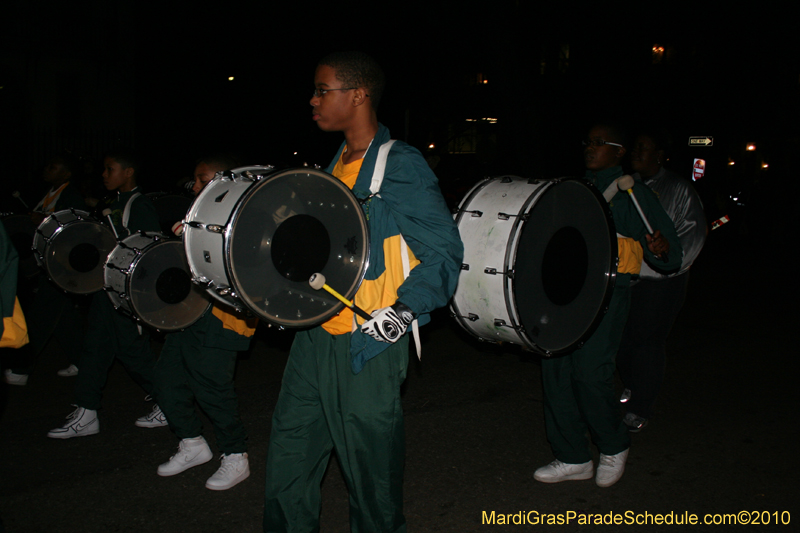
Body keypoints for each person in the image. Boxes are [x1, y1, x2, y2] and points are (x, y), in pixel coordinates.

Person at [263, 51, 463, 532]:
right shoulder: (335, 166)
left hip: (366, 344)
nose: (312, 101)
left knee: (371, 485)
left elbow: (444, 253)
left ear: (358, 95)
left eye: (321, 90)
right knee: (288, 465)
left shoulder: (400, 167)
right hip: (313, 338)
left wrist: (400, 314)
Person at [533, 123, 682, 488]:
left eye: (600, 143)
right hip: (566, 290)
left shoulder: (634, 195)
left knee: (589, 373)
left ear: (618, 152)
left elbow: (669, 253)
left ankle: (614, 444)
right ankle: (573, 456)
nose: (590, 148)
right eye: (588, 142)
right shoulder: (573, 188)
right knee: (556, 371)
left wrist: (662, 251)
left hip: (608, 291)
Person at [152, 156, 257, 491]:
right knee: (167, 378)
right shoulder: (197, 215)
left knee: (212, 388)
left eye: (202, 180)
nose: (194, 187)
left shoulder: (251, 213)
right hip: (191, 311)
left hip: (225, 316)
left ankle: (235, 454)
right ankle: (192, 443)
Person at [48, 150, 161, 439]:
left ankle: (168, 400)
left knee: (132, 353)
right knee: (94, 350)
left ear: (128, 172)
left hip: (124, 294)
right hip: (105, 289)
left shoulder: (140, 205)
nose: (104, 174)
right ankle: (87, 412)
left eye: (110, 169)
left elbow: (151, 255)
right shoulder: (114, 201)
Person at [617, 131, 707, 431]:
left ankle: (641, 407)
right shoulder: (626, 185)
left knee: (647, 342)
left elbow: (693, 234)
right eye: (635, 147)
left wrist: (669, 255)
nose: (635, 152)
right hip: (628, 277)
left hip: (662, 282)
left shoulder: (679, 189)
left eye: (643, 147)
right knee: (623, 339)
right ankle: (632, 385)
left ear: (660, 155)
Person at [3, 153, 87, 386]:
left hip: (61, 264)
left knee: (41, 315)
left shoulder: (71, 195)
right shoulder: (52, 193)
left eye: (53, 166)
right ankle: (82, 360)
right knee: (63, 318)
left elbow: (74, 227)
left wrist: (44, 219)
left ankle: (22, 368)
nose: (47, 169)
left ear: (66, 173)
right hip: (49, 262)